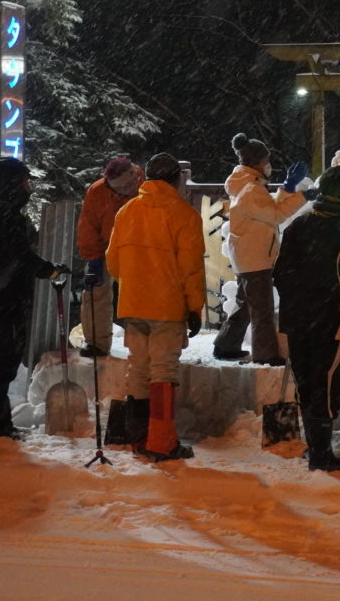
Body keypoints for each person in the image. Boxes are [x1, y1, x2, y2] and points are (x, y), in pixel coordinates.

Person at [107, 153, 205, 461]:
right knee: (163, 372)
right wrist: (194, 307)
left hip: (133, 304)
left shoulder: (127, 211)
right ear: (177, 178)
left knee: (138, 370)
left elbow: (113, 262)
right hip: (167, 307)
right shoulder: (185, 215)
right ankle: (162, 442)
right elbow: (191, 269)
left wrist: (134, 283)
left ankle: (139, 439)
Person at [273, 166, 340, 472]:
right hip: (330, 320)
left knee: (307, 382)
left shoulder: (296, 226)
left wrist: (296, 306)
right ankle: (321, 454)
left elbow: (279, 275)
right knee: (328, 384)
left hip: (297, 320)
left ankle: (316, 447)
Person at [0, 158, 68, 440]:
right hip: (2, 299)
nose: (28, 188)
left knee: (1, 362)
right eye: (24, 183)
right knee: (2, 363)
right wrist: (48, 270)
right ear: (11, 184)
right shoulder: (4, 215)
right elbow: (18, 255)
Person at [212, 133, 307, 364]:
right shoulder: (250, 189)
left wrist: (288, 187)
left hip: (248, 253)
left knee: (246, 304)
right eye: (266, 160)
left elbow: (269, 207)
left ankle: (226, 344)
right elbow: (276, 214)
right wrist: (303, 196)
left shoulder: (248, 184)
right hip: (254, 256)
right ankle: (266, 355)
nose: (268, 165)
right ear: (256, 162)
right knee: (261, 310)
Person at [76, 156, 144, 357]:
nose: (128, 189)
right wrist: (92, 259)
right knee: (95, 294)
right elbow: (88, 227)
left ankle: (141, 341)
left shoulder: (148, 186)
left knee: (140, 296)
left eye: (130, 184)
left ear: (134, 173)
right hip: (106, 247)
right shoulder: (97, 193)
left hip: (140, 247)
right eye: (121, 188)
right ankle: (96, 342)